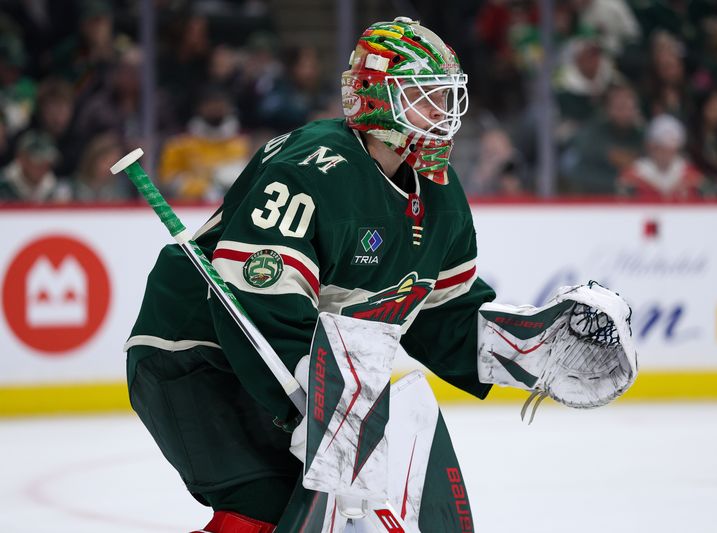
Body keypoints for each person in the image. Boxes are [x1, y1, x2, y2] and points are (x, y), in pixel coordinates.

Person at [125, 18, 635, 532]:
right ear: (375, 99)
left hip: (296, 372)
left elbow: (444, 317)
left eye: (446, 97)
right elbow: (260, 300)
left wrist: (531, 349)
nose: (442, 113)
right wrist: (320, 403)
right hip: (192, 347)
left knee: (300, 508)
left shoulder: (441, 195)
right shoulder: (312, 166)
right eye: (423, 96)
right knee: (267, 501)